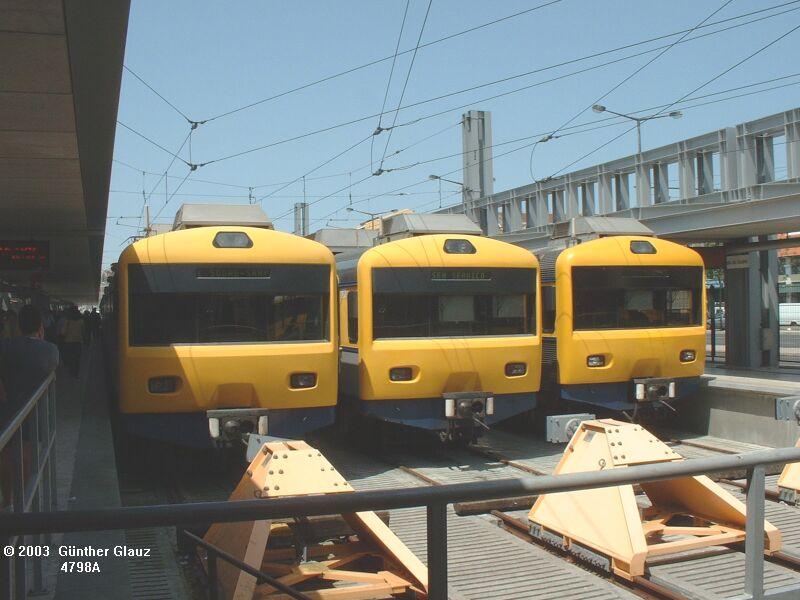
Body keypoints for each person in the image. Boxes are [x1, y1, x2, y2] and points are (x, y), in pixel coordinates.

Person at [62, 306, 84, 378]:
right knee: (77, 359)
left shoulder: (67, 321)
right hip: (78, 342)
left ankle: (71, 372)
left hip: (69, 342)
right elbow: (83, 332)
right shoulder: (81, 321)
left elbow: (63, 332)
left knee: (70, 358)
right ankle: (76, 373)